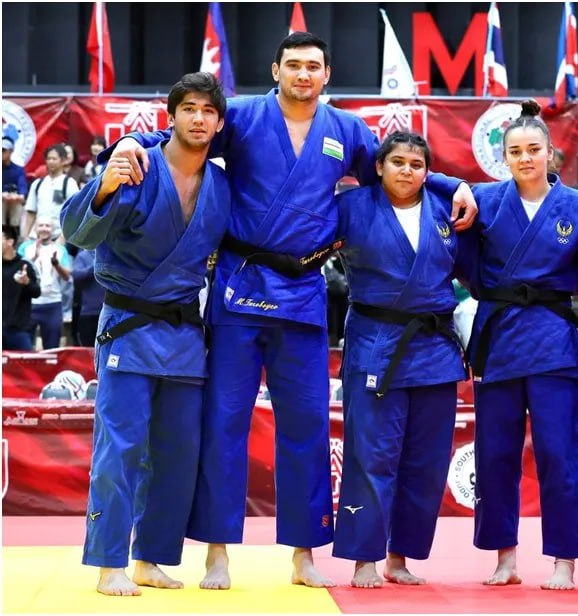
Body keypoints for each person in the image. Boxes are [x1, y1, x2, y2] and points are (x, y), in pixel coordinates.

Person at [106, 32, 477, 590]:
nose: (304, 74)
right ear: (275, 69)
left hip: (303, 293)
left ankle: (304, 551)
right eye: (294, 65)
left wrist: (452, 183)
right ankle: (217, 552)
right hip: (240, 287)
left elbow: (398, 169)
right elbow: (186, 135)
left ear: (327, 75)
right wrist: (134, 142)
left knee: (306, 425)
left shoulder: (346, 130)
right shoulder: (242, 116)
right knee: (224, 423)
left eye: (313, 66)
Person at [60, 71, 231, 596]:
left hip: (184, 335)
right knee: (120, 449)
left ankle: (150, 558)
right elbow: (75, 231)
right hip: (128, 329)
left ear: (219, 123)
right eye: (189, 108)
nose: (198, 118)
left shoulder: (222, 186)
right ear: (170, 116)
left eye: (208, 110)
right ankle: (109, 561)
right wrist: (105, 184)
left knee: (177, 452)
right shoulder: (135, 166)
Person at [464, 100, 578, 590]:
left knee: (560, 454)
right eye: (516, 151)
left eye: (533, 149)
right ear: (503, 157)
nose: (525, 158)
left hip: (552, 340)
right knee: (495, 454)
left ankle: (565, 558)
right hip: (499, 338)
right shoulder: (481, 201)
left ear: (550, 152)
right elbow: (466, 264)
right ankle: (504, 557)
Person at [331, 132, 467, 588]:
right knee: (372, 455)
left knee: (425, 461)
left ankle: (399, 556)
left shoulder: (445, 207)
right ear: (379, 166)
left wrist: (452, 184)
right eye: (398, 162)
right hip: (377, 342)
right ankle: (364, 558)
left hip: (434, 347)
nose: (407, 170)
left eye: (416, 164)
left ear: (428, 171)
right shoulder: (351, 207)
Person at [17, 215, 71, 350]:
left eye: (47, 226)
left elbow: (67, 276)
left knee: (51, 349)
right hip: (28, 304)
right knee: (24, 349)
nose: (44, 229)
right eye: (41, 225)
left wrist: (56, 264)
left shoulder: (60, 249)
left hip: (53, 303)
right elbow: (16, 271)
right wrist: (33, 257)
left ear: (52, 229)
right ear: (35, 228)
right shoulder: (25, 247)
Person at [21, 144, 80, 241]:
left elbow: (74, 213)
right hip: (37, 236)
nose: (51, 161)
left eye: (54, 159)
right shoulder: (37, 183)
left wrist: (62, 239)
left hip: (59, 236)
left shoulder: (69, 183)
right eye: (48, 159)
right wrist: (25, 236)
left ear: (63, 161)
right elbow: (31, 211)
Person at [2, 224, 41, 350]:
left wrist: (27, 282)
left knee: (27, 361)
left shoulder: (24, 265)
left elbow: (37, 292)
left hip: (19, 330)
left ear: (10, 242)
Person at [3, 136, 28, 228]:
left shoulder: (18, 169)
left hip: (14, 200)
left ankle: (15, 229)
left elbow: (22, 187)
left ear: (11, 151)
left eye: (3, 150)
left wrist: (19, 196)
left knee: (17, 203)